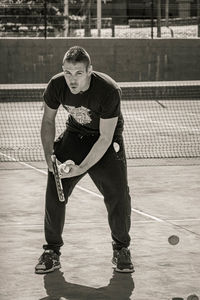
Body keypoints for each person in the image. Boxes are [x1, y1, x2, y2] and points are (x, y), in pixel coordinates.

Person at [35, 46, 134, 274]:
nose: (72, 79)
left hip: (105, 140)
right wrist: (50, 157)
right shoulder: (56, 85)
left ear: (89, 70)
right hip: (75, 134)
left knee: (118, 194)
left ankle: (121, 248)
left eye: (78, 73)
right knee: (54, 189)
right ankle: (52, 251)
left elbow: (106, 137)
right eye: (68, 72)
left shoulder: (108, 90)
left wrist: (80, 168)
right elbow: (48, 121)